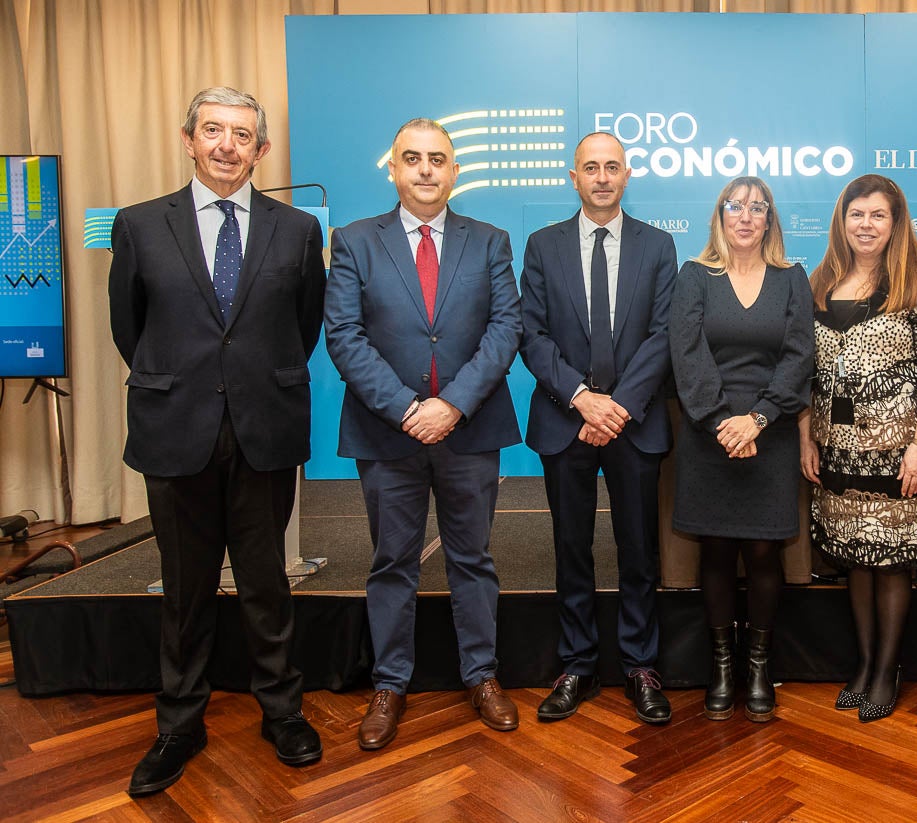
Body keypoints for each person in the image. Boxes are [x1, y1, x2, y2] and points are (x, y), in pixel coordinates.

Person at [108, 86, 326, 796]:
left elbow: (305, 325)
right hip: (175, 432)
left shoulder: (296, 230)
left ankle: (282, 711)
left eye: (241, 134)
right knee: (185, 589)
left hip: (266, 429)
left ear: (261, 149)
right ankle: (179, 722)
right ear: (188, 138)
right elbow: (129, 329)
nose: (227, 145)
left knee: (267, 584)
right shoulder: (139, 225)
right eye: (213, 131)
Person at [325, 118, 523, 748]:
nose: (426, 169)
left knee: (473, 559)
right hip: (388, 433)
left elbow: (505, 331)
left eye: (438, 158)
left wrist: (453, 405)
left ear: (455, 169)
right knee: (391, 563)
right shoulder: (354, 241)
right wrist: (409, 408)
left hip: (468, 429)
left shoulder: (490, 241)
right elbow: (344, 337)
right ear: (394, 168)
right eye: (413, 158)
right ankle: (389, 684)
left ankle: (483, 675)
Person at [520, 132, 677, 725]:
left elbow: (664, 335)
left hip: (633, 425)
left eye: (612, 167)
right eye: (592, 167)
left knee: (639, 552)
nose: (603, 177)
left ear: (628, 174)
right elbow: (530, 335)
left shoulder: (658, 246)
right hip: (567, 420)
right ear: (574, 176)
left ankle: (640, 664)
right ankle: (577, 664)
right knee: (571, 550)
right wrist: (585, 400)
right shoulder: (542, 245)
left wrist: (617, 407)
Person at [799, 174, 917, 723]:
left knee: (890, 565)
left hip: (897, 451)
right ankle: (863, 666)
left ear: (896, 222)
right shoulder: (819, 283)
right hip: (836, 449)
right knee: (854, 563)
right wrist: (805, 440)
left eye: (878, 215)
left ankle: (888, 670)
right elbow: (805, 377)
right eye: (857, 214)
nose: (866, 224)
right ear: (842, 221)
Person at [669, 176, 814, 722]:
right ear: (720, 216)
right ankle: (723, 666)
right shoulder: (694, 277)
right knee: (717, 552)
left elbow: (800, 355)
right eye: (736, 207)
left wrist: (756, 419)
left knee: (761, 553)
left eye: (758, 208)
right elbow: (686, 355)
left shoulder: (791, 278)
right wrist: (722, 422)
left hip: (770, 434)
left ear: (770, 219)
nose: (746, 217)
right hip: (711, 438)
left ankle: (758, 665)